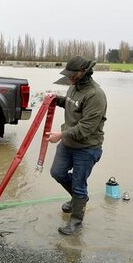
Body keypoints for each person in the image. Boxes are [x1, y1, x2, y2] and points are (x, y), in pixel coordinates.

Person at [45, 56, 107, 235]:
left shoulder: (95, 95)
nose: (70, 77)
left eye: (73, 75)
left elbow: (86, 128)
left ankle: (76, 222)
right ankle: (78, 199)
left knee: (79, 184)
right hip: (68, 143)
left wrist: (60, 135)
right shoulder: (73, 87)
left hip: (87, 147)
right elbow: (71, 104)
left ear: (83, 73)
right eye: (69, 74)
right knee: (57, 172)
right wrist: (56, 99)